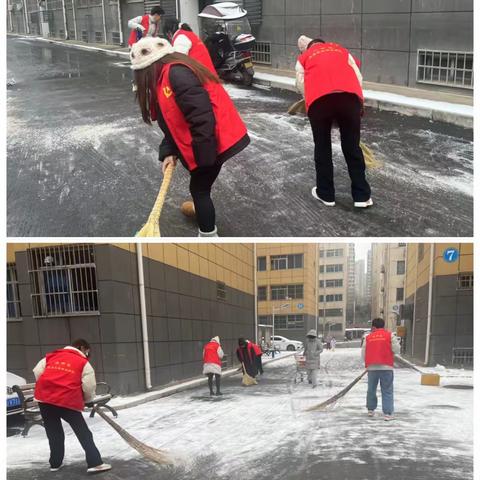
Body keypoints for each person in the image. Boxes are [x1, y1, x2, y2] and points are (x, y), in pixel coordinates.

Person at [131, 37, 250, 237]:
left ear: (148, 68)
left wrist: (203, 160)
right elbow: (172, 121)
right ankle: (201, 211)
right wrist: (169, 151)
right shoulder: (164, 78)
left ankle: (208, 235)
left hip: (212, 140)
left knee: (200, 190)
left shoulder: (176, 74)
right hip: (208, 140)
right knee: (201, 188)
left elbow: (201, 115)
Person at [295, 35, 372, 209]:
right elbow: (357, 77)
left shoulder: (304, 57)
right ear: (324, 43)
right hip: (349, 98)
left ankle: (326, 194)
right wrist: (355, 102)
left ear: (309, 47)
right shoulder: (342, 50)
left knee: (322, 147)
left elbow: (301, 83)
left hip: (319, 102)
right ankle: (362, 196)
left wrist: (311, 101)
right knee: (352, 146)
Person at [33, 339, 111, 474]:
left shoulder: (51, 356)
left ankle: (55, 463)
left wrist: (50, 386)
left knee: (54, 433)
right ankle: (95, 463)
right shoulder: (83, 362)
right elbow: (89, 385)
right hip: (66, 400)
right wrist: (88, 399)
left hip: (45, 400)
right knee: (83, 432)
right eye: (87, 351)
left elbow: (37, 371)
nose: (87, 354)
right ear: (81, 347)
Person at [361, 318, 401, 421]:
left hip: (372, 368)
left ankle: (370, 409)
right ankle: (387, 413)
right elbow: (397, 350)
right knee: (387, 390)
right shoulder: (390, 335)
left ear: (373, 327)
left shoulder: (368, 337)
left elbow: (363, 352)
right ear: (383, 326)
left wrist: (366, 364)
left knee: (371, 389)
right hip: (386, 367)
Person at [127, 6, 164, 91]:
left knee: (148, 64)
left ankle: (147, 83)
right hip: (135, 45)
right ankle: (135, 83)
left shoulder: (156, 24)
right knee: (136, 65)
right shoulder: (142, 18)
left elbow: (153, 36)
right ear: (156, 15)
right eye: (160, 16)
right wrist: (139, 27)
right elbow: (129, 23)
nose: (160, 18)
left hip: (146, 47)